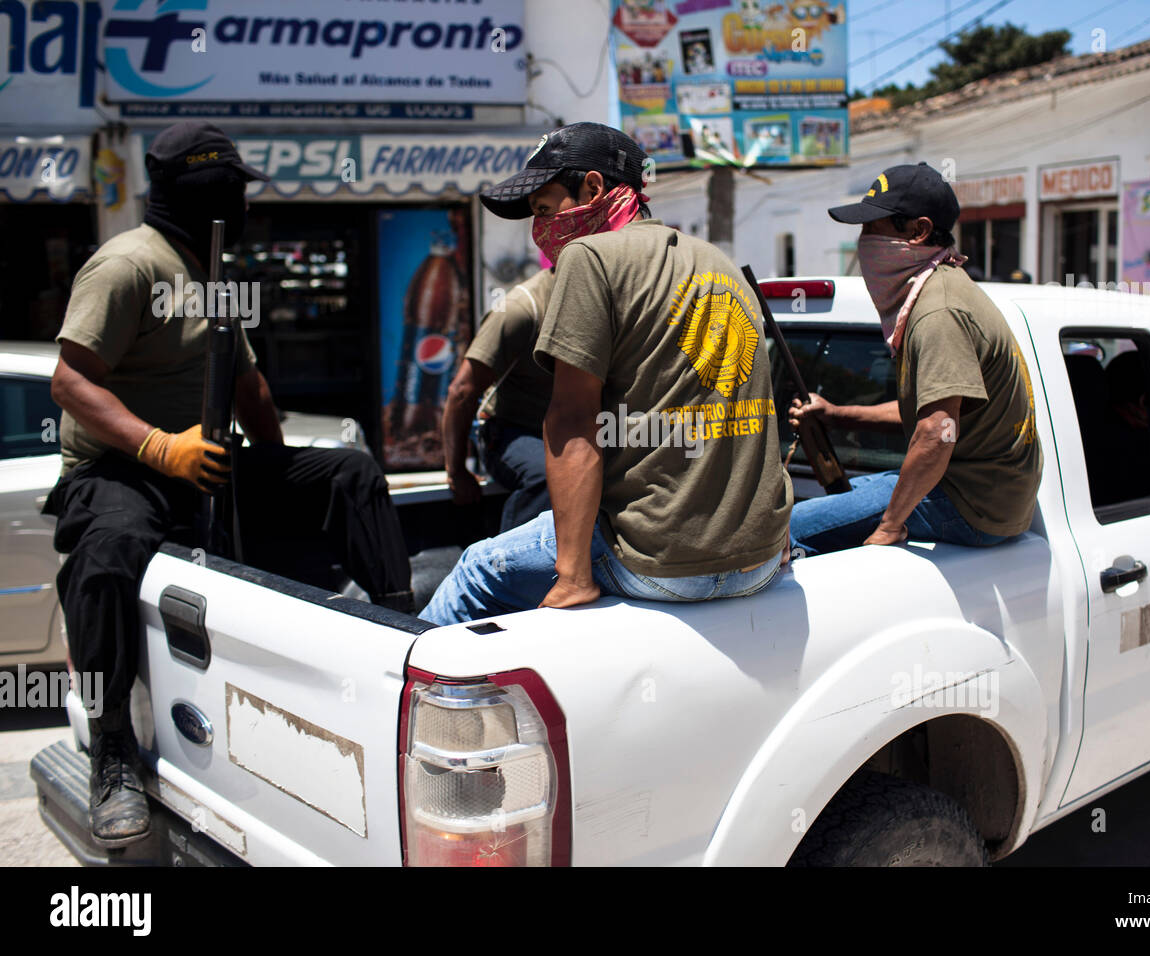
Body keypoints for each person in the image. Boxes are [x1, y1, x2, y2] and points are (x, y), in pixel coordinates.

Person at [44, 121, 414, 849]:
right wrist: (155, 445)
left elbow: (250, 388)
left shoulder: (214, 276)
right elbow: (69, 380)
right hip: (124, 468)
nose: (241, 206)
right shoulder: (128, 266)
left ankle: (403, 637)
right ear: (197, 194)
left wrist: (276, 475)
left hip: (208, 461)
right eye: (231, 192)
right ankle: (114, 751)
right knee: (110, 549)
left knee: (349, 472)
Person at [421, 122, 793, 624]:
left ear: (594, 188)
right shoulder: (717, 261)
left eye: (547, 209)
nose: (541, 229)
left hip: (662, 565)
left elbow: (572, 420)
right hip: (764, 560)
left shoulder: (588, 257)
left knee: (475, 570)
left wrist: (573, 577)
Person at [788, 162, 1042, 555]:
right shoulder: (940, 288)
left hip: (974, 505)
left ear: (919, 231)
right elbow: (933, 414)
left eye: (875, 227)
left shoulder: (938, 311)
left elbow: (938, 431)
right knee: (836, 499)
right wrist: (838, 414)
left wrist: (890, 526)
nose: (864, 240)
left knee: (789, 529)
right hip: (978, 490)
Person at [442, 265, 557, 531]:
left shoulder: (602, 301)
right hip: (513, 431)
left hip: (574, 427)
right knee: (550, 475)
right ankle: (508, 566)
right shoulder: (521, 309)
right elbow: (461, 392)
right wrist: (456, 470)